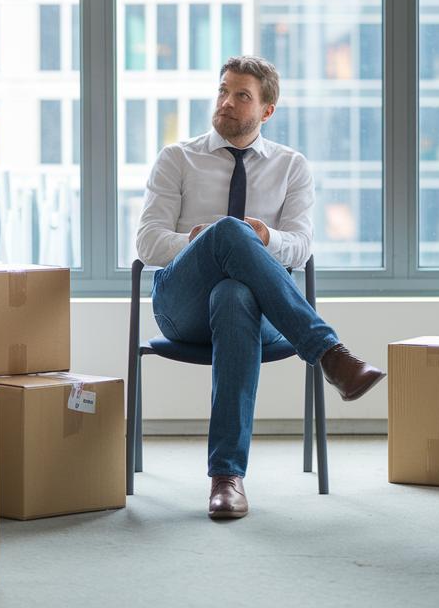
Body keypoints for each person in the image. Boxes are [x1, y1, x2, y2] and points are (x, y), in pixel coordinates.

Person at [136, 55, 386, 521]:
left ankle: (226, 478)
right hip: (181, 307)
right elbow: (147, 241)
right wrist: (203, 241)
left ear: (266, 110)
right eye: (223, 91)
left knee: (235, 294)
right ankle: (330, 354)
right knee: (228, 232)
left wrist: (266, 238)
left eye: (241, 96)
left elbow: (301, 245)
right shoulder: (177, 158)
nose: (227, 102)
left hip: (262, 315)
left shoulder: (291, 167)